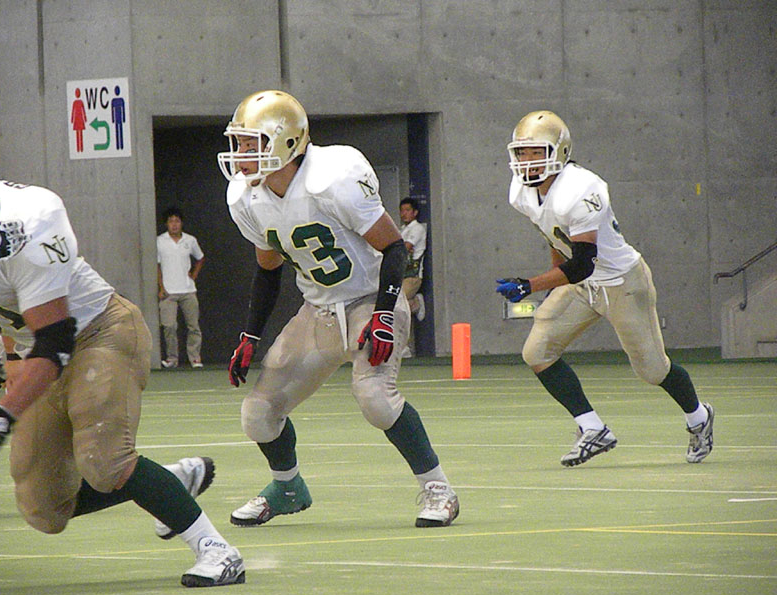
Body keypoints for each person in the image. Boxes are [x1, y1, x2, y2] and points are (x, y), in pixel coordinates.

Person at [0, 147, 245, 588]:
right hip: (38, 351)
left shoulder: (27, 221)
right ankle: (163, 482)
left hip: (99, 331)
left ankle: (216, 549)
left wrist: (4, 414)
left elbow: (55, 340)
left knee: (104, 460)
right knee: (43, 508)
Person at [217, 90, 459, 528]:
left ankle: (439, 488)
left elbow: (395, 248)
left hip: (371, 299)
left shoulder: (332, 179)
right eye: (239, 142)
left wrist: (384, 313)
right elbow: (267, 270)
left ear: (287, 141)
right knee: (257, 414)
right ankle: (288, 488)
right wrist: (250, 335)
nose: (241, 154)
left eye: (252, 143)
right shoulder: (247, 198)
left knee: (375, 398)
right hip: (318, 311)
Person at [495, 110, 714, 467]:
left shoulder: (582, 188)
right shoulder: (522, 191)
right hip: (581, 284)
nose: (528, 161)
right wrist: (552, 279)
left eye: (537, 152)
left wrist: (531, 285)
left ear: (560, 152)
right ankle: (593, 428)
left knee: (652, 370)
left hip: (620, 282)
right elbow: (553, 234)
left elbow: (583, 262)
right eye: (522, 152)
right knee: (537, 352)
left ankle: (699, 417)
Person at [157, 207, 205, 368]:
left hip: (188, 290)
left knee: (193, 326)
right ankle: (172, 359)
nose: (174, 224)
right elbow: (157, 266)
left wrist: (194, 275)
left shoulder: (190, 240)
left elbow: (200, 258)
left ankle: (195, 358)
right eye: (171, 221)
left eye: (177, 221)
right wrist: (161, 287)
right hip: (168, 292)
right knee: (169, 326)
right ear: (166, 224)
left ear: (181, 223)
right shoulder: (159, 241)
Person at [399, 198, 427, 351]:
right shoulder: (402, 229)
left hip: (412, 276)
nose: (404, 214)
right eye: (402, 211)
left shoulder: (417, 229)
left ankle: (404, 346)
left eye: (407, 210)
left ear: (415, 212)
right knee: (395, 307)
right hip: (400, 275)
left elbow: (405, 248)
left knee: (398, 307)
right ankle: (415, 304)